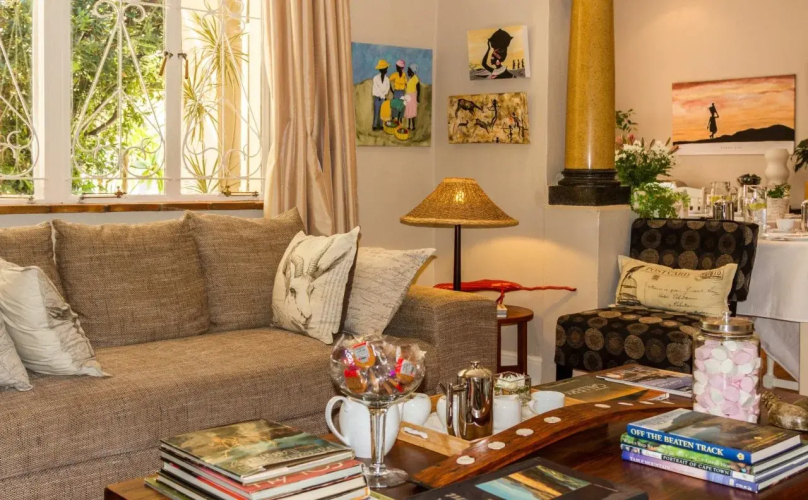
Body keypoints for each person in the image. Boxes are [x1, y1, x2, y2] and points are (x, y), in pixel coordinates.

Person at [371, 59, 390, 130]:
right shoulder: (375, 78)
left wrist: (384, 95)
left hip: (383, 98)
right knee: (376, 111)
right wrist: (381, 95)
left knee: (383, 112)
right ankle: (375, 125)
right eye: (385, 68)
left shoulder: (387, 79)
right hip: (377, 97)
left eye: (386, 68)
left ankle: (381, 125)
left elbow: (387, 88)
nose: (386, 70)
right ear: (382, 70)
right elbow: (377, 88)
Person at [404, 63, 421, 130]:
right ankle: (409, 126)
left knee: (412, 111)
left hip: (412, 96)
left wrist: (417, 97)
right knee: (409, 110)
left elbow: (418, 89)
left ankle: (413, 126)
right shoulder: (410, 79)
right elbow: (409, 87)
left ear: (412, 71)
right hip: (409, 96)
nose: (407, 72)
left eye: (408, 70)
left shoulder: (415, 78)